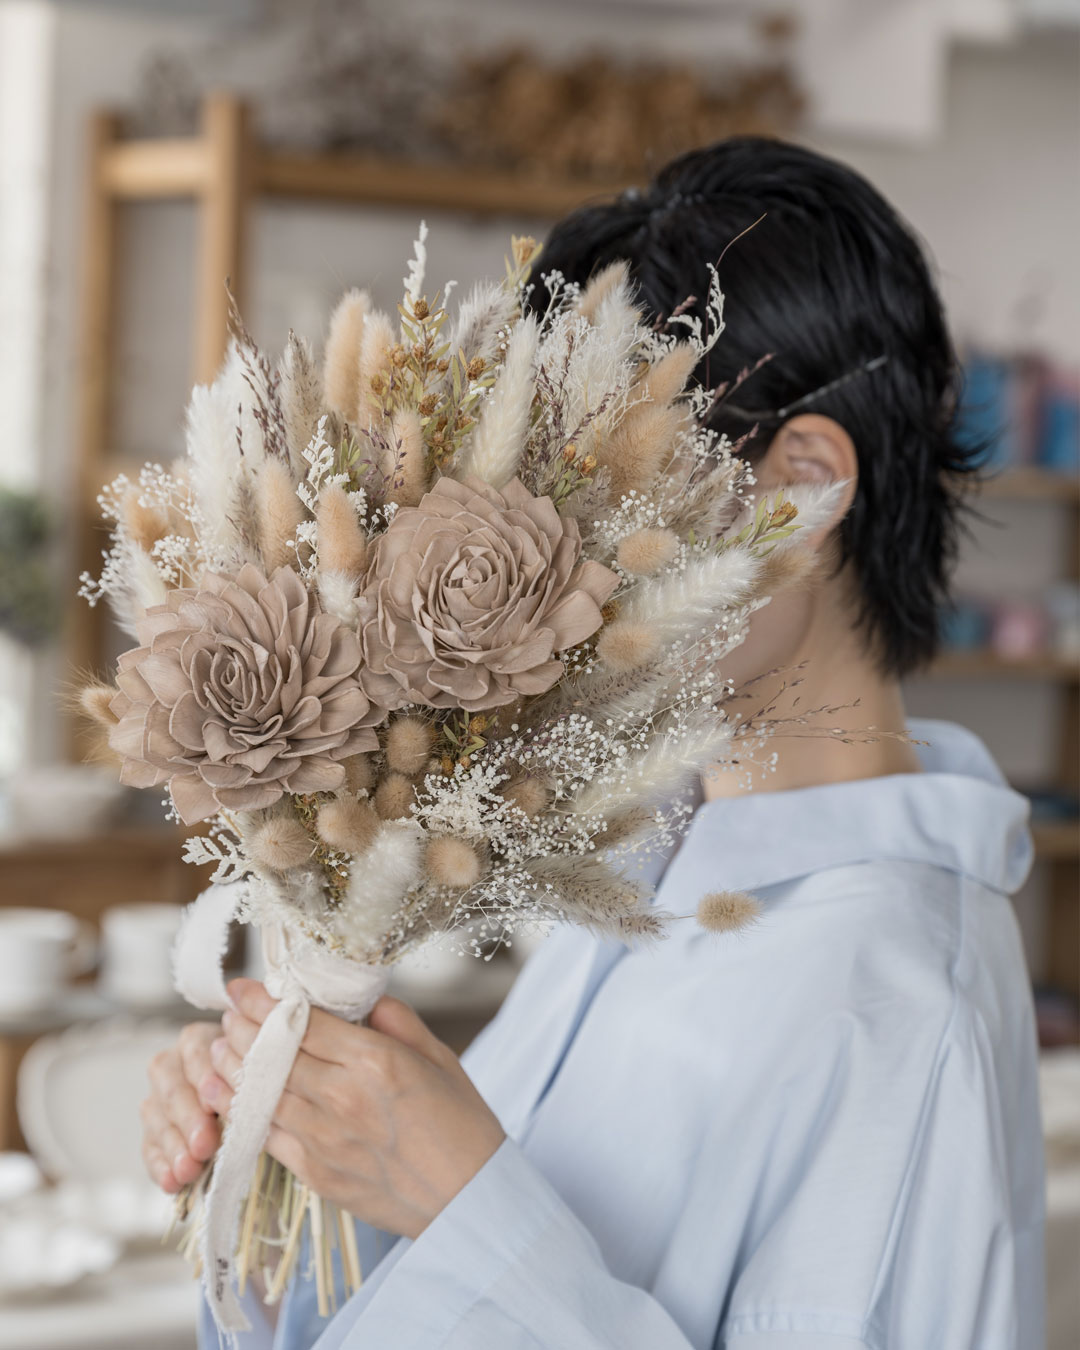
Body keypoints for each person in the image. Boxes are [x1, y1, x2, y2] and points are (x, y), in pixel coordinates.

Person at [141, 138, 1045, 1349]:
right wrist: (286, 1170)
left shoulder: (903, 1004)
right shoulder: (646, 876)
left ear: (805, 489)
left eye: (608, 489)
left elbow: (492, 1251)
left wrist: (459, 1201)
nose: (555, 567)